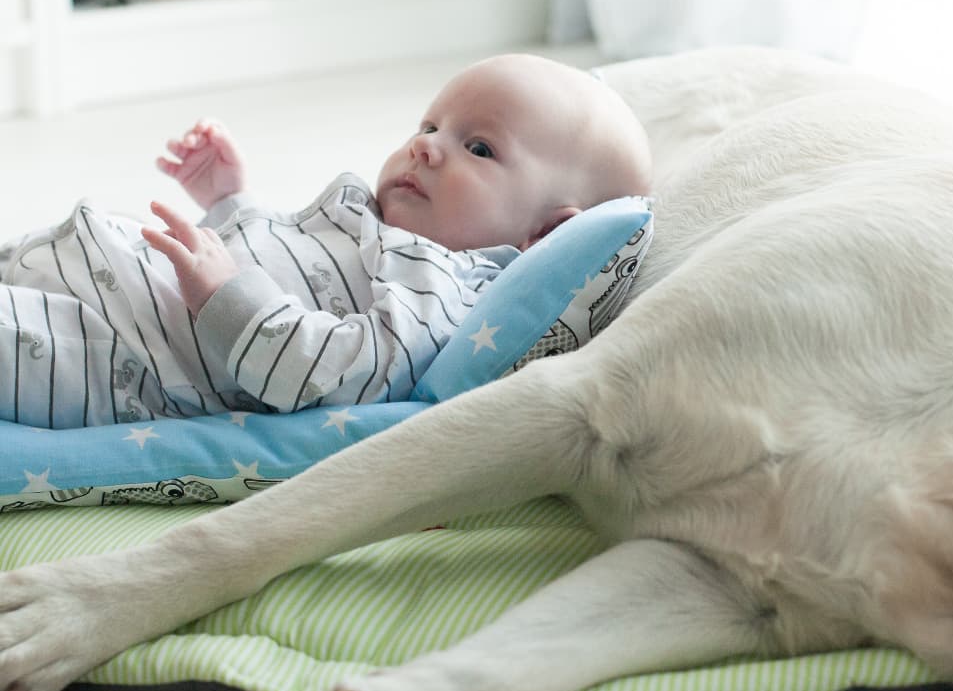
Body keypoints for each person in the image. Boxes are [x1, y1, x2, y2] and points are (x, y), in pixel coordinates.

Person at [0, 54, 651, 429]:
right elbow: (284, 260)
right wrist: (234, 200)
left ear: (547, 232)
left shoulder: (441, 290)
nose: (426, 144)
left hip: (98, 349)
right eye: (430, 123)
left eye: (477, 147)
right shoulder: (383, 229)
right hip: (88, 269)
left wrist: (228, 296)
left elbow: (322, 370)